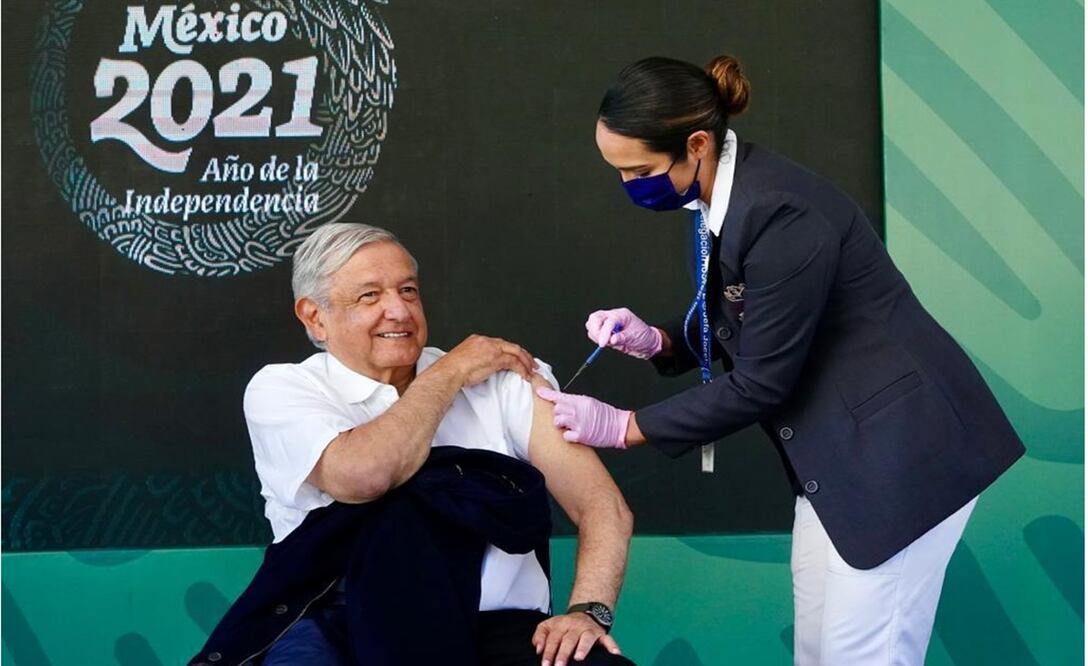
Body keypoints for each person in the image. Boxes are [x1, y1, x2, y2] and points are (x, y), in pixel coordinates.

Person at [535, 55, 1025, 666]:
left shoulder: (780, 211)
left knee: (861, 658)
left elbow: (763, 380)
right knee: (819, 653)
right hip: (840, 456)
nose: (631, 186)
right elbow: (757, 324)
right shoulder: (726, 198)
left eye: (640, 171)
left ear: (696, 144)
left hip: (900, 455)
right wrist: (659, 341)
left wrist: (625, 427)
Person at [192, 223, 634, 666]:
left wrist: (587, 612)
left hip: (498, 628)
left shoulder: (501, 381)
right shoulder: (284, 388)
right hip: (340, 623)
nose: (399, 311)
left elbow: (601, 504)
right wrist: (449, 373)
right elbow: (363, 475)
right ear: (314, 316)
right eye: (370, 296)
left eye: (407, 290)